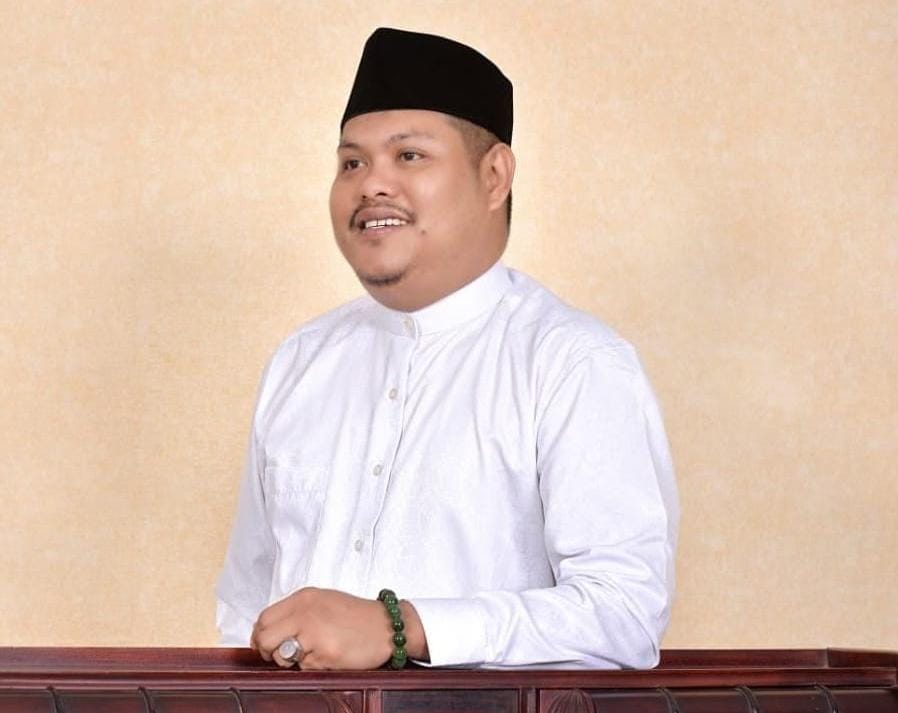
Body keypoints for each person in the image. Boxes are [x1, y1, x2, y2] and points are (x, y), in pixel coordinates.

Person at [216, 27, 679, 671]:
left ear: (494, 177)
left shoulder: (570, 363)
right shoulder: (301, 362)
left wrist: (402, 627)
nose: (371, 186)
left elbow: (623, 615)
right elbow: (246, 608)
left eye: (408, 156)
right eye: (352, 163)